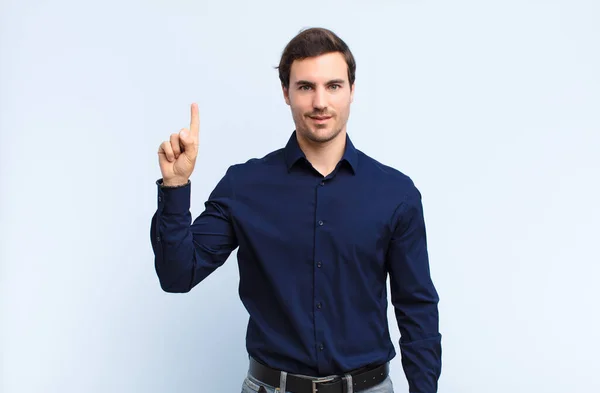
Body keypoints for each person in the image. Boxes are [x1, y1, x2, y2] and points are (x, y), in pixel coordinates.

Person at [150, 27, 441, 393]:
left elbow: (417, 308)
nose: (320, 102)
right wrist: (175, 188)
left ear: (352, 91)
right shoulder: (245, 186)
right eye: (306, 87)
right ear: (286, 93)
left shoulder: (395, 193)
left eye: (333, 86)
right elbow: (177, 275)